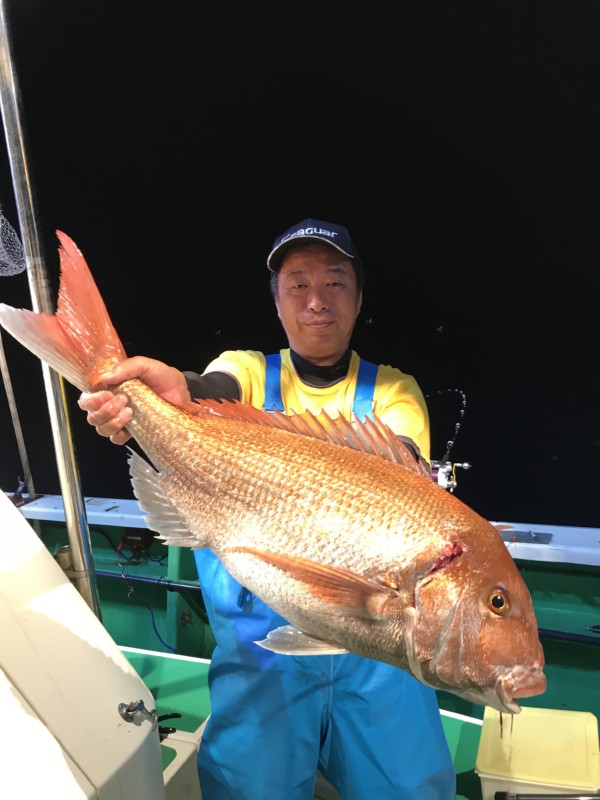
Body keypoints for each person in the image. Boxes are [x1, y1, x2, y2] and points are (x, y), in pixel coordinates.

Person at [78, 218, 456, 799]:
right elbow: (211, 389)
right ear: (277, 303)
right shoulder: (249, 371)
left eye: (335, 283)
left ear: (358, 299)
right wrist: (167, 397)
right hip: (261, 659)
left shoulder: (394, 392)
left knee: (408, 788)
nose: (316, 301)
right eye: (297, 285)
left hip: (378, 659)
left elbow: (399, 474)